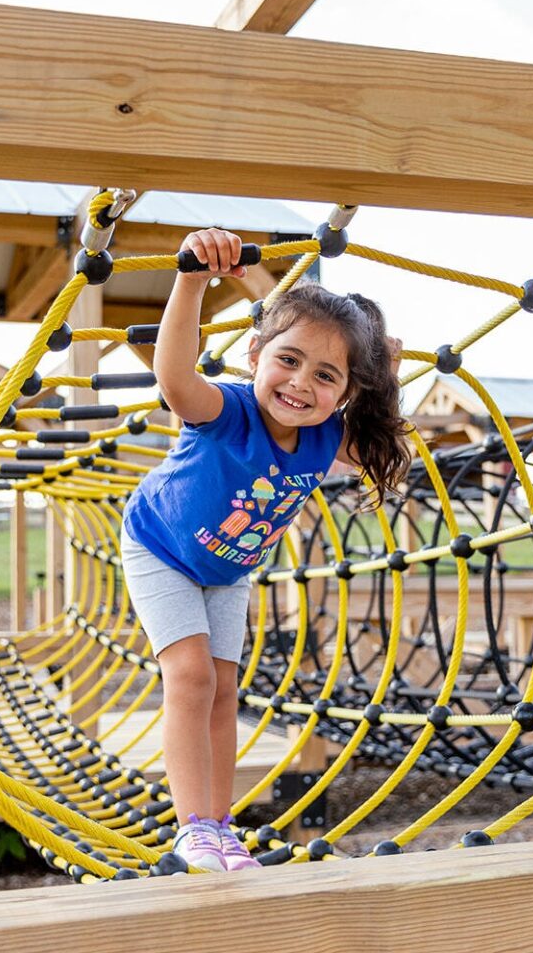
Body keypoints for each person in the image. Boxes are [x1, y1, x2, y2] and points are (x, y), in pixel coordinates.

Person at [121, 228, 410, 871]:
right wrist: (192, 278)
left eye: (326, 375)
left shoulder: (327, 436)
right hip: (160, 547)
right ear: (255, 353)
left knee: (226, 688)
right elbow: (172, 375)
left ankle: (219, 826)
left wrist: (384, 374)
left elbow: (392, 440)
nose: (301, 383)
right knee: (191, 677)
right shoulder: (225, 409)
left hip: (228, 571)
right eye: (289, 359)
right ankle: (193, 827)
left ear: (344, 393)